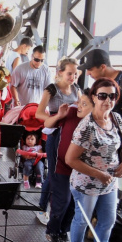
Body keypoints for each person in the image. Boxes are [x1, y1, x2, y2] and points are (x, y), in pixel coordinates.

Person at [65, 78, 122, 242]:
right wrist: (98, 174)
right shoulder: (87, 127)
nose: (107, 100)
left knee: (108, 221)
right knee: (82, 221)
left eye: (112, 96)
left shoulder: (116, 118)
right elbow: (70, 159)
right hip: (87, 184)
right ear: (94, 97)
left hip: (109, 184)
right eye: (102, 96)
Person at [41, 90, 91, 242]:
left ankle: (63, 231)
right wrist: (59, 115)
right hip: (61, 165)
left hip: (81, 169)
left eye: (84, 104)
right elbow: (47, 125)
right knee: (63, 200)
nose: (79, 105)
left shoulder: (96, 122)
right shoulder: (71, 111)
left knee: (73, 205)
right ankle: (52, 230)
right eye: (80, 101)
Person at [34, 57, 81, 224]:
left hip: (71, 135)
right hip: (56, 133)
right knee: (55, 173)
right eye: (70, 74)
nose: (73, 77)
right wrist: (56, 118)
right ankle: (42, 208)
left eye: (75, 74)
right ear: (60, 72)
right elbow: (39, 113)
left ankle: (42, 206)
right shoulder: (52, 89)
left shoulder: (76, 89)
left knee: (55, 173)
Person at [79, 49, 122, 138]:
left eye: (90, 69)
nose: (88, 73)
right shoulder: (100, 82)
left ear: (102, 67)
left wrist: (121, 126)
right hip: (113, 132)